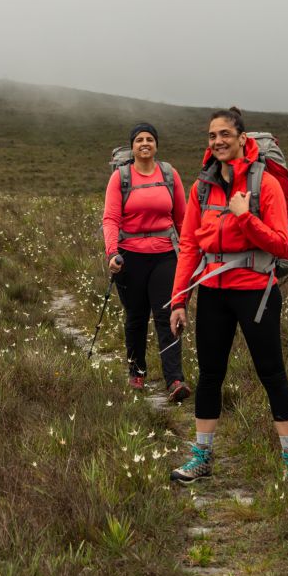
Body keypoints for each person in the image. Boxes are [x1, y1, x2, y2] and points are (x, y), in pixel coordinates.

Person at [168, 107, 288, 483]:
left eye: (225, 134)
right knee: (210, 376)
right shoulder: (202, 187)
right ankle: (202, 458)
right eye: (212, 136)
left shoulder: (265, 185)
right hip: (212, 292)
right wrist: (179, 300)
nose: (218, 141)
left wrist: (244, 215)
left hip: (256, 292)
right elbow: (189, 246)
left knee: (272, 374)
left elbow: (281, 243)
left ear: (243, 139)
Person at [102, 122, 191, 402]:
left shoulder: (169, 174)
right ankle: (137, 372)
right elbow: (111, 218)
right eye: (139, 139)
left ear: (156, 145)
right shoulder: (120, 178)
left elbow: (182, 218)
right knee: (136, 317)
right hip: (130, 257)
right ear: (132, 146)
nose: (144, 143)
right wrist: (112, 253)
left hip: (165, 256)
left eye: (149, 139)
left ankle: (174, 380)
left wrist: (190, 252)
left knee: (167, 316)